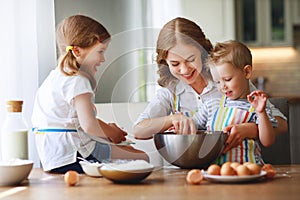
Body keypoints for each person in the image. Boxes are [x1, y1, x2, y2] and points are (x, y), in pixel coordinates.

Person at [132, 17, 287, 154]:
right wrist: (172, 119)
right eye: (175, 63)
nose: (184, 70)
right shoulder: (170, 91)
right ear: (165, 62)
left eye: (190, 59)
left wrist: (250, 129)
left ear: (202, 51)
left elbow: (281, 124)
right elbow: (138, 130)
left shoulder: (228, 81)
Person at [32, 15, 149, 173]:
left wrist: (108, 129)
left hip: (53, 155)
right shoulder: (77, 80)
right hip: (76, 154)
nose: (103, 59)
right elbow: (89, 126)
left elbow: (77, 121)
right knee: (142, 157)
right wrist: (112, 132)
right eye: (100, 51)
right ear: (77, 51)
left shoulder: (53, 78)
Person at [194, 40, 279, 164]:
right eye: (217, 82)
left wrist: (261, 113)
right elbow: (192, 126)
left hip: (248, 171)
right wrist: (178, 125)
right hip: (217, 173)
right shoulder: (212, 105)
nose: (222, 86)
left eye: (227, 79)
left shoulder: (258, 106)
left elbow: (268, 141)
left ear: (246, 72)